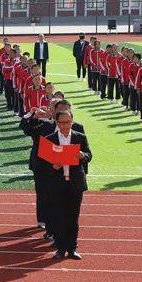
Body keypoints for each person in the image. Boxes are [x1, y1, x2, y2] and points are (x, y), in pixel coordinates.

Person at [42, 110, 92, 260]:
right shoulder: (49, 139)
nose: (65, 125)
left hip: (75, 183)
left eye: (67, 122)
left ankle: (72, 248)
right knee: (58, 216)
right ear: (57, 123)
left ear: (72, 121)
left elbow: (89, 154)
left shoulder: (80, 137)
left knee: (73, 217)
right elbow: (43, 163)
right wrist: (52, 166)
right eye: (62, 122)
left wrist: (83, 156)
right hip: (57, 183)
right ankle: (60, 248)